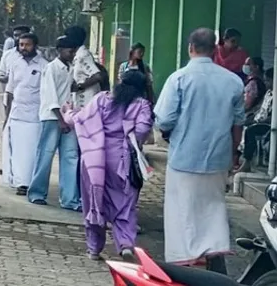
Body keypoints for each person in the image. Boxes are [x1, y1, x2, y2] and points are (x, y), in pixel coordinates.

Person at [154, 28, 245, 273]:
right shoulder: (233, 81)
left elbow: (164, 119)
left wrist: (169, 132)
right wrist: (234, 154)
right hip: (218, 158)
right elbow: (238, 124)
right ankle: (213, 252)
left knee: (182, 211)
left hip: (184, 156)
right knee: (213, 207)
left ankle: (186, 263)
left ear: (190, 47)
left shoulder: (179, 79)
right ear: (215, 49)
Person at [71, 69, 154, 261]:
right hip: (123, 161)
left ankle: (94, 248)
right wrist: (131, 139)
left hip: (94, 160)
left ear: (120, 82)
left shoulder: (102, 99)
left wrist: (69, 113)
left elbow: (81, 119)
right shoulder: (141, 105)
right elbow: (142, 130)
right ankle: (125, 244)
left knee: (94, 201)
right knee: (125, 204)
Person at [28, 37, 81, 210]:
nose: (72, 54)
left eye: (74, 51)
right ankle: (36, 193)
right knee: (46, 154)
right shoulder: (51, 68)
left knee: (71, 156)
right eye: (69, 51)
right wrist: (60, 120)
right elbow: (50, 97)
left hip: (68, 117)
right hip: (52, 117)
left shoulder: (71, 68)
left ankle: (70, 199)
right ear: (60, 50)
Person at [0, 32, 48, 195]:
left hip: (35, 116)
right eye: (21, 45)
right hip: (16, 113)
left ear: (35, 46)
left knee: (31, 152)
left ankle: (28, 183)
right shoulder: (15, 63)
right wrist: (6, 117)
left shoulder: (44, 66)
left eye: (27, 45)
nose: (24, 48)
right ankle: (19, 182)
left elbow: (46, 93)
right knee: (17, 151)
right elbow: (10, 90)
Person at [240, 56, 271, 173]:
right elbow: (259, 107)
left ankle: (246, 162)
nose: (266, 82)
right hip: (256, 117)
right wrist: (253, 117)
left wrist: (259, 120)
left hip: (266, 123)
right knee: (243, 124)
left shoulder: (255, 83)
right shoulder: (268, 93)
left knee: (249, 131)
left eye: (268, 80)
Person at [64, 25, 106, 111]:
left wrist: (80, 86)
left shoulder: (82, 56)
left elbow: (98, 76)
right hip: (81, 103)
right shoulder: (77, 55)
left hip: (88, 104)